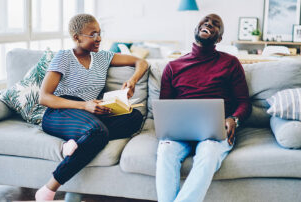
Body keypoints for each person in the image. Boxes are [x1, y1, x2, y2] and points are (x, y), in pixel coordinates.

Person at [35, 13, 148, 201]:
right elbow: (44, 97)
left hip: (90, 113)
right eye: (93, 34)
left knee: (134, 117)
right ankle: (49, 188)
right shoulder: (64, 57)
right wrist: (84, 105)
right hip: (60, 111)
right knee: (98, 132)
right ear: (76, 37)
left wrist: (132, 80)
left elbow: (140, 62)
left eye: (100, 33)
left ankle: (76, 144)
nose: (99, 39)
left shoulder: (103, 57)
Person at [156, 14, 251, 202]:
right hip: (180, 132)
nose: (209, 23)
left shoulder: (230, 63)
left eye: (216, 24)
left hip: (215, 132)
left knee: (208, 151)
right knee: (165, 151)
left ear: (219, 38)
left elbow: (244, 103)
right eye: (205, 21)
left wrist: (234, 119)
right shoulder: (173, 66)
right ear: (196, 29)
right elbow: (163, 106)